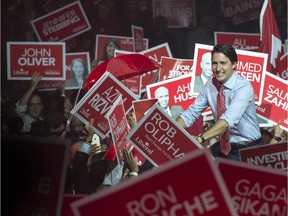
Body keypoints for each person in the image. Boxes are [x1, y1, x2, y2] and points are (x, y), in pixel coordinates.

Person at [176, 44, 263, 161]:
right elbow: (191, 113)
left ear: (234, 64)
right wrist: (172, 131)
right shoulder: (210, 85)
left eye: (223, 63)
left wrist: (201, 138)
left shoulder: (244, 87)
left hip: (248, 149)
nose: (217, 68)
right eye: (214, 63)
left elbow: (227, 122)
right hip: (224, 147)